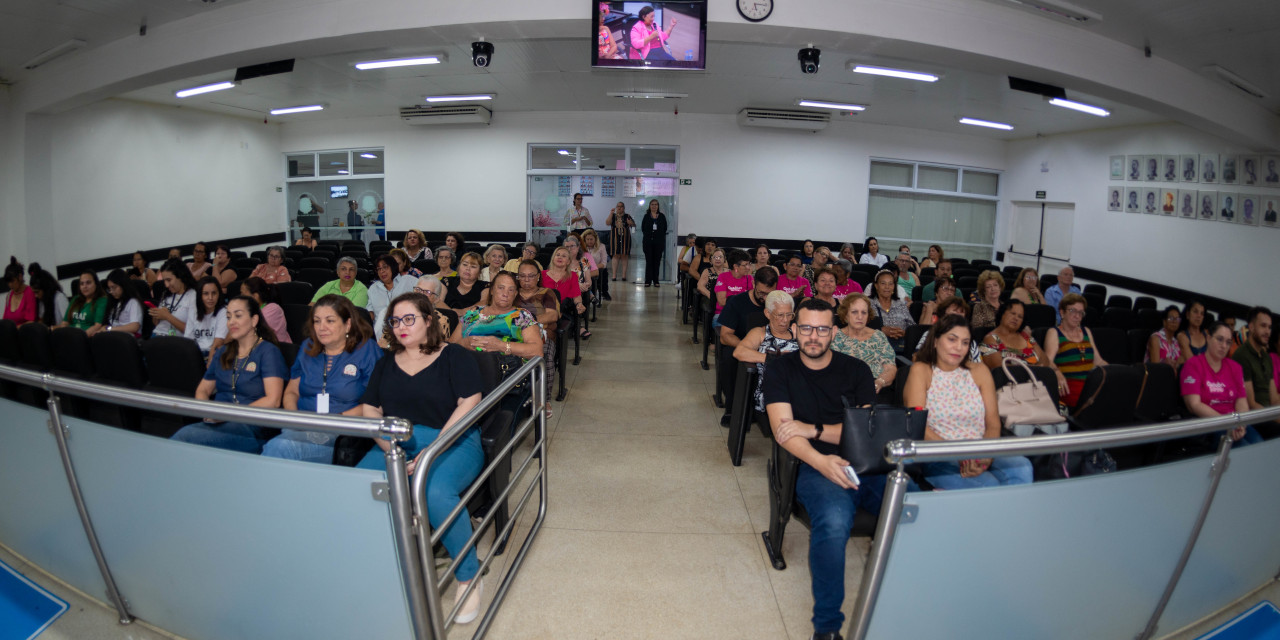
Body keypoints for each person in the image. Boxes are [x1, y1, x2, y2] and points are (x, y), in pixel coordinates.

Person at [762, 298, 907, 640]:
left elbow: (867, 431)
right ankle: (826, 628)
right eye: (807, 328)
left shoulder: (856, 370)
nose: (814, 336)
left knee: (913, 505)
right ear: (795, 330)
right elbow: (785, 432)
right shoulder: (780, 369)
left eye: (823, 329)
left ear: (833, 332)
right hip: (812, 465)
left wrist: (812, 428)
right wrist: (822, 460)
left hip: (863, 462)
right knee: (834, 523)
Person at [355, 292, 487, 623]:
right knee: (359, 486)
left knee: (434, 492)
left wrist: (432, 449)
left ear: (429, 320)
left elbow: (470, 401)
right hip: (396, 441)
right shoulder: (386, 361)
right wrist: (391, 448)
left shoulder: (454, 355)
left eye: (409, 318)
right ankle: (378, 567)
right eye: (395, 321)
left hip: (453, 440)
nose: (401, 326)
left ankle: (469, 576)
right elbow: (370, 408)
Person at [905, 314, 1033, 489]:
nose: (959, 347)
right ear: (935, 341)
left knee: (1023, 468)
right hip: (938, 453)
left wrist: (986, 455)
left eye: (965, 342)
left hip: (979, 448)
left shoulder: (979, 370)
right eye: (952, 339)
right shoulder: (921, 370)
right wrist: (959, 454)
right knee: (988, 485)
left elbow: (993, 423)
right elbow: (918, 425)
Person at [266, 295, 379, 461]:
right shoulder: (308, 347)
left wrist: (335, 420)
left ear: (347, 324)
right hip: (302, 426)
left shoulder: (367, 350)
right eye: (317, 321)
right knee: (280, 445)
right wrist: (294, 417)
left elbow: (375, 403)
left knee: (282, 448)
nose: (321, 327)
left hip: (343, 431)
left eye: (330, 321)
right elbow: (292, 391)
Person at [170, 296, 287, 453]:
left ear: (254, 320)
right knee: (184, 438)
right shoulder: (224, 352)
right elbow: (203, 390)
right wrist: (206, 411)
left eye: (238, 316)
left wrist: (229, 415)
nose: (231, 322)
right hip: (218, 423)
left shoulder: (268, 352)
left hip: (251, 428)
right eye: (228, 317)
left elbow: (273, 401)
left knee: (184, 439)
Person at [1181, 322, 1263, 446]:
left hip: (1234, 422)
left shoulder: (1235, 367)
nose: (1224, 346)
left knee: (1259, 445)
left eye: (1228, 342)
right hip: (1210, 425)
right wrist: (1227, 422)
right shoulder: (1193, 365)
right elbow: (1194, 405)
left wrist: (1241, 424)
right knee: (1243, 449)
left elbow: (1241, 400)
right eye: (1219, 339)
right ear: (1208, 338)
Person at [718, 268, 779, 426]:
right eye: (762, 293)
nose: (765, 298)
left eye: (769, 293)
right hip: (741, 344)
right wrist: (746, 348)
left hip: (770, 347)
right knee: (729, 357)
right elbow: (725, 336)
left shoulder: (778, 303)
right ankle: (732, 408)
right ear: (753, 284)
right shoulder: (737, 302)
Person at [451, 271, 544, 365]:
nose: (505, 294)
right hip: (465, 366)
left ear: (515, 294)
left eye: (511, 290)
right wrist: (463, 343)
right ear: (491, 290)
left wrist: (501, 346)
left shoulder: (522, 316)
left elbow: (537, 351)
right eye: (501, 288)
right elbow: (448, 347)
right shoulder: (472, 314)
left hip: (505, 374)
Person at [733, 290, 799, 416]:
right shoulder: (760, 333)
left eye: (789, 314)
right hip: (774, 390)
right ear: (767, 313)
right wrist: (773, 358)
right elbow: (739, 352)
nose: (785, 320)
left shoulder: (797, 333)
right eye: (780, 315)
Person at [515, 260, 562, 418]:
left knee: (545, 355)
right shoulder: (512, 292)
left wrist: (528, 323)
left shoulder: (547, 292)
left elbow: (552, 315)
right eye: (522, 276)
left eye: (530, 276)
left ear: (537, 277)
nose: (526, 280)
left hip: (543, 334)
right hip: (515, 333)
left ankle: (544, 398)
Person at [1045, 293, 1108, 407]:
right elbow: (1047, 361)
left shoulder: (1086, 331)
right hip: (1069, 386)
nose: (1077, 316)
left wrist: (1114, 373)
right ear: (1062, 312)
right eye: (1073, 311)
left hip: (1090, 384)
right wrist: (1057, 372)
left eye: (1080, 312)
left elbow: (1098, 361)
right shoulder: (1054, 332)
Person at [832, 294, 897, 395]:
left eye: (864, 312)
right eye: (854, 312)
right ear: (845, 315)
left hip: (877, 387)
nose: (860, 317)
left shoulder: (878, 336)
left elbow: (890, 368)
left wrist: (880, 382)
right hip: (845, 388)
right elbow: (833, 369)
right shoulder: (836, 336)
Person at [1232, 307, 1276, 414]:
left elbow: (1274, 399)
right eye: (1263, 326)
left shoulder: (1266, 357)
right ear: (1251, 327)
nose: (1267, 332)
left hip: (1269, 415)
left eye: (1269, 327)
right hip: (1254, 417)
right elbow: (1251, 404)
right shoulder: (1242, 355)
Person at [980, 300, 1048, 368]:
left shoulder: (1026, 336)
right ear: (1002, 313)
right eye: (1013, 313)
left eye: (1020, 317)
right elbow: (999, 369)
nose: (1016, 318)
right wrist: (1034, 369)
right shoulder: (990, 339)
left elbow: (1045, 361)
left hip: (1036, 377)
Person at [368, 254, 417, 331]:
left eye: (385, 267)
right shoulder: (373, 288)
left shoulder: (409, 281)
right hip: (381, 332)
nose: (382, 271)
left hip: (406, 328)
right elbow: (370, 314)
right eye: (379, 269)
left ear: (393, 267)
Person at [184, 276, 228, 361]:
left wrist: (209, 365)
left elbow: (218, 343)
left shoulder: (224, 312)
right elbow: (188, 340)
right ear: (199, 295)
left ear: (219, 294)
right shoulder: (194, 311)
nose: (210, 298)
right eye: (206, 293)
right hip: (195, 353)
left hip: (214, 353)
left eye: (214, 293)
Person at [151, 259, 198, 337]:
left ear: (180, 276)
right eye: (164, 281)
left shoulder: (193, 296)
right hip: (157, 335)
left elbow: (191, 331)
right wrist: (156, 314)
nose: (166, 285)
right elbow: (156, 323)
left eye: (169, 280)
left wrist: (167, 316)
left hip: (176, 341)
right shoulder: (167, 294)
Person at [870, 269, 914, 353]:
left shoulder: (900, 304)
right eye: (883, 283)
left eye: (890, 284)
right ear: (876, 286)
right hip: (876, 349)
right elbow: (861, 327)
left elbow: (912, 327)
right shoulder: (868, 304)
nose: (887, 287)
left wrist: (904, 333)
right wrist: (881, 330)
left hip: (900, 347)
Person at [240, 277, 293, 344]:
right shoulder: (250, 310)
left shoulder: (273, 309)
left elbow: (252, 332)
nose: (240, 297)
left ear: (255, 296)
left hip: (278, 350)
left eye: (243, 294)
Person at [542, 247, 588, 320]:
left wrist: (579, 304)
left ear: (568, 262)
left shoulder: (572, 276)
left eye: (564, 256)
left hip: (563, 312)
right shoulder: (542, 274)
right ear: (553, 258)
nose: (560, 257)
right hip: (543, 310)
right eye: (557, 255)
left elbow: (576, 296)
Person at [98, 269, 144, 337]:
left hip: (128, 338)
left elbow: (134, 327)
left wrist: (110, 329)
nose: (111, 291)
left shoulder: (133, 302)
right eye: (109, 288)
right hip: (115, 336)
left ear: (123, 285)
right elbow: (108, 322)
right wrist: (105, 328)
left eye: (114, 287)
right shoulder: (115, 301)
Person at [713, 250, 752, 318]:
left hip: (743, 315)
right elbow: (722, 302)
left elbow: (752, 300)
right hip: (723, 314)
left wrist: (732, 299)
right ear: (735, 266)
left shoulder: (750, 278)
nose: (748, 268)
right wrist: (743, 300)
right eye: (745, 265)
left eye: (749, 264)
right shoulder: (723, 277)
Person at [639, 199, 668, 287]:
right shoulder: (646, 216)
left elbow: (665, 228)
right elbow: (643, 228)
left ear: (658, 206)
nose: (654, 206)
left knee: (657, 262)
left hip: (659, 243)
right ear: (649, 206)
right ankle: (648, 280)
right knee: (649, 262)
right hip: (648, 243)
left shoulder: (662, 216)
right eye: (652, 204)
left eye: (656, 204)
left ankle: (656, 280)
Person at [607, 203, 635, 281]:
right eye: (618, 206)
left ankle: (623, 276)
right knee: (615, 255)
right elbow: (607, 223)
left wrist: (631, 223)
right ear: (616, 208)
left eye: (621, 206)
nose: (619, 208)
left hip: (625, 238)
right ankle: (614, 276)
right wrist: (611, 213)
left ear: (624, 208)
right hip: (615, 237)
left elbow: (634, 225)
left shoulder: (627, 216)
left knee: (624, 255)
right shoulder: (613, 215)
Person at [2, 257, 35, 325]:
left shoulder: (29, 292)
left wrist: (13, 330)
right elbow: (5, 321)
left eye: (12, 281)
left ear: (20, 277)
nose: (10, 285)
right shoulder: (9, 295)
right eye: (8, 282)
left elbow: (31, 321)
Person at [582, 229, 610, 300]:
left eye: (591, 239)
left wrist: (593, 268)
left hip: (597, 269)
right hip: (583, 269)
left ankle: (603, 292)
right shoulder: (581, 248)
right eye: (587, 239)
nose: (589, 241)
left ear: (595, 239)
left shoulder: (601, 247)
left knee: (603, 272)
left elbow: (604, 263)